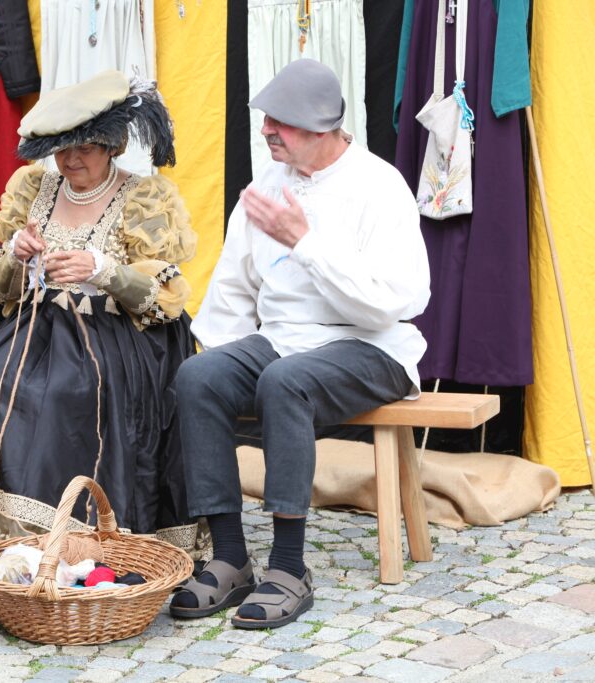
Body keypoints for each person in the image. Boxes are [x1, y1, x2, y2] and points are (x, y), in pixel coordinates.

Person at [169, 59, 430, 628]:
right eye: (266, 120)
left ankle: (289, 568)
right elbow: (235, 289)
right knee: (199, 377)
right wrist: (221, 366)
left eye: (279, 123)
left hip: (371, 343)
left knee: (285, 381)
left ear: (320, 129)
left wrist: (306, 244)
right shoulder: (267, 186)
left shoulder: (379, 185)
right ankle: (231, 557)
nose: (266, 131)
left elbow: (394, 300)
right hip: (282, 339)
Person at [0, 70, 199, 551]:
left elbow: (163, 302)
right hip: (35, 327)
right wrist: (16, 253)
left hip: (115, 338)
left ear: (114, 146)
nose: (72, 159)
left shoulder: (144, 197)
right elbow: (1, 295)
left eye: (86, 147)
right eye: (62, 148)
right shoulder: (33, 188)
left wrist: (102, 269)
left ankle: (77, 543)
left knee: (67, 395)